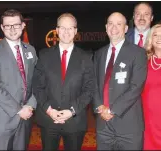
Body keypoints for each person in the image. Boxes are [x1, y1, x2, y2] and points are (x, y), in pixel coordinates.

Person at [33, 13, 94, 150]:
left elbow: (89, 89)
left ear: (76, 31)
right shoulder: (44, 55)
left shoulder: (86, 57)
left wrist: (71, 111)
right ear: (57, 30)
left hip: (74, 121)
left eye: (70, 28)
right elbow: (38, 86)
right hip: (49, 120)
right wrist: (49, 110)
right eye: (63, 28)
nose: (66, 32)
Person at [0, 9, 38, 150]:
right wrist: (19, 110)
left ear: (23, 25)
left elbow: (36, 79)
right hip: (5, 117)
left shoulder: (30, 50)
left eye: (16, 24)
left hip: (26, 114)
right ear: (2, 27)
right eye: (8, 26)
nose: (12, 29)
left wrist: (31, 105)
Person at [93, 12, 147, 150]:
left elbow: (136, 86)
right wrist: (99, 106)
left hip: (128, 126)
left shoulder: (138, 53)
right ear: (106, 27)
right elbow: (93, 83)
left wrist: (112, 110)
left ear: (126, 28)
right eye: (110, 23)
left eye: (119, 24)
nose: (114, 27)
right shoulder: (99, 54)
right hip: (103, 125)